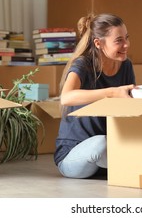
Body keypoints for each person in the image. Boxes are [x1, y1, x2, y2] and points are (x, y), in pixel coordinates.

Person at [54, 13, 135, 179]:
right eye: (119, 40)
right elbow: (66, 97)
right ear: (98, 43)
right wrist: (112, 92)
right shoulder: (83, 64)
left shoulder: (126, 65)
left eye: (126, 38)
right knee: (101, 144)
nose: (126, 45)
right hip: (74, 156)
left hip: (107, 155)